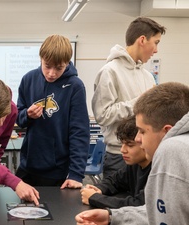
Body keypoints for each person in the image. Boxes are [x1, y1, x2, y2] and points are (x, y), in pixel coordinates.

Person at [76, 82, 189, 225]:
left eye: (142, 131)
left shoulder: (172, 150)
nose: (137, 139)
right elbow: (160, 212)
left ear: (167, 132)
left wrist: (97, 199)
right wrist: (112, 216)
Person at [91, 17, 166, 179]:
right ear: (142, 40)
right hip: (119, 156)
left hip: (146, 156)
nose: (156, 50)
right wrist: (140, 103)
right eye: (156, 42)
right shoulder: (109, 71)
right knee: (116, 203)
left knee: (141, 203)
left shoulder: (148, 76)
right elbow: (103, 115)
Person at [15, 34, 90, 189]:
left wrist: (76, 174)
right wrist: (26, 115)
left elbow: (79, 132)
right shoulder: (28, 79)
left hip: (57, 171)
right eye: (47, 66)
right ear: (41, 58)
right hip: (28, 166)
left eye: (59, 68)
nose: (51, 73)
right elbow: (18, 117)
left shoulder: (75, 86)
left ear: (67, 63)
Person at [80, 115, 151, 209]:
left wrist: (94, 198)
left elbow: (139, 204)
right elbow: (114, 181)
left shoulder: (156, 171)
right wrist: (99, 189)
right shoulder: (134, 165)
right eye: (122, 144)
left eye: (130, 145)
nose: (123, 150)